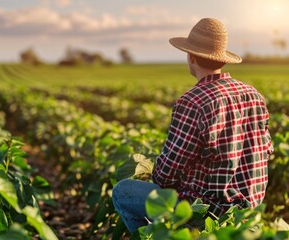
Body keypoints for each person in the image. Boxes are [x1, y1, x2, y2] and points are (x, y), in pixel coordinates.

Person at [112, 17, 274, 234]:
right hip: (248, 212)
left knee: (123, 191)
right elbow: (267, 150)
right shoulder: (254, 95)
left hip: (207, 213)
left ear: (191, 57)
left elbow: (168, 171)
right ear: (223, 60)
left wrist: (150, 173)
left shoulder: (193, 101)